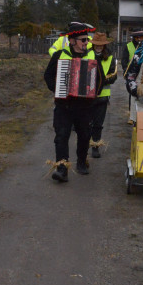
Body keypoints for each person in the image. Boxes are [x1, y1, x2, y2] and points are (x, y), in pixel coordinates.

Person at [43, 22, 103, 182]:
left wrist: (94, 93)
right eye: (83, 40)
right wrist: (57, 89)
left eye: (87, 40)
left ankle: (82, 162)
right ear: (72, 41)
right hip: (64, 105)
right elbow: (48, 75)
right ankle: (62, 169)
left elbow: (101, 80)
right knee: (61, 136)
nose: (86, 43)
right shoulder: (60, 56)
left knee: (84, 136)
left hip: (85, 107)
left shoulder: (93, 56)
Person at [88, 31, 119, 158]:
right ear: (93, 45)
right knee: (86, 122)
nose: (99, 47)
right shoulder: (87, 55)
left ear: (104, 46)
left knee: (98, 124)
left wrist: (101, 81)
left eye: (101, 45)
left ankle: (95, 146)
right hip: (88, 95)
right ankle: (84, 145)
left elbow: (114, 75)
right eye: (97, 44)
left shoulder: (110, 57)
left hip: (102, 96)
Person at [122, 29, 143, 124]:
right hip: (132, 72)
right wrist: (125, 70)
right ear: (134, 38)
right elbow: (124, 60)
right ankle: (132, 116)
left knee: (141, 92)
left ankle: (140, 113)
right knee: (132, 93)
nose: (139, 39)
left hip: (141, 72)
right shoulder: (128, 46)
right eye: (137, 37)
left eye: (141, 37)